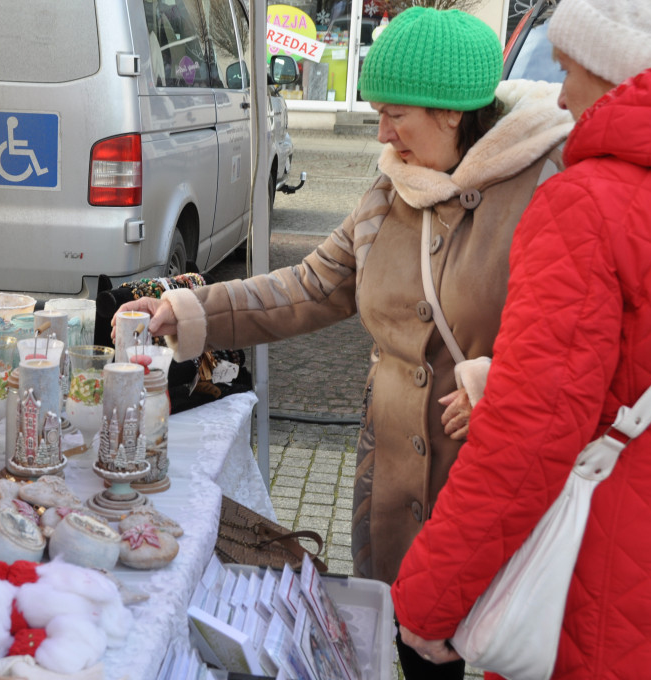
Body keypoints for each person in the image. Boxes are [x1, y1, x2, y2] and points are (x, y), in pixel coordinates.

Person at [114, 7, 572, 679]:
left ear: (451, 112)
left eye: (397, 114)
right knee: (415, 651)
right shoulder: (389, 191)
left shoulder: (547, 189)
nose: (382, 133)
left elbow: (580, 342)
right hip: (391, 483)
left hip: (492, 486)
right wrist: (190, 310)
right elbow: (307, 287)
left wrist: (506, 386)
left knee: (513, 644)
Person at [391, 1, 651, 677]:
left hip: (613, 587)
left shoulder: (586, 203)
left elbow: (529, 436)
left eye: (569, 69)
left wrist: (430, 601)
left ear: (618, 71)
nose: (559, 94)